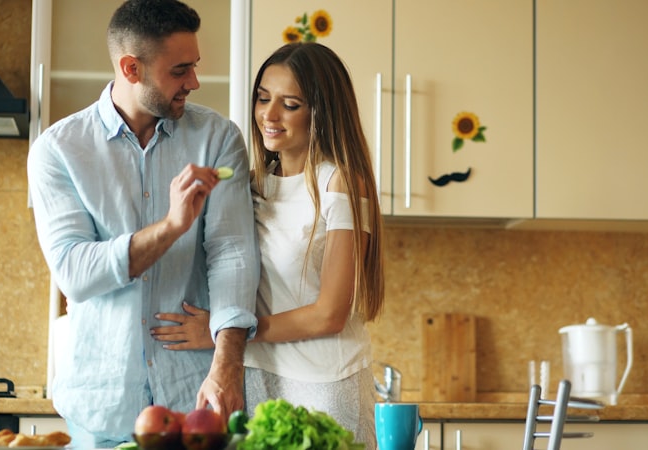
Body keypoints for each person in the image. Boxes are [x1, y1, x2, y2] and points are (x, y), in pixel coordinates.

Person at [26, 0, 259, 447]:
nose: (193, 81)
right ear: (131, 68)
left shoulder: (218, 138)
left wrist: (228, 364)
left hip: (196, 403)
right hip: (101, 407)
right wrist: (172, 226)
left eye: (194, 66)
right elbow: (75, 272)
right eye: (179, 70)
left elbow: (232, 253)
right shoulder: (59, 151)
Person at [152, 42, 385, 448]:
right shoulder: (251, 184)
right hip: (256, 377)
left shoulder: (340, 183)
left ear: (322, 112)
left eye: (290, 104)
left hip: (325, 382)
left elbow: (330, 314)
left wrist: (225, 331)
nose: (268, 116)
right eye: (263, 99)